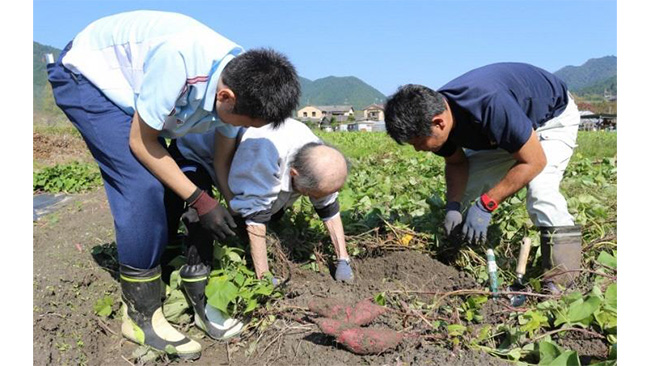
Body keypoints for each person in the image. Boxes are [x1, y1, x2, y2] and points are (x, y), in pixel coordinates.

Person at [46, 10, 300, 359]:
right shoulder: (179, 61)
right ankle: (140, 314)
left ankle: (160, 261)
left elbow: (220, 161)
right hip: (86, 76)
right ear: (225, 97)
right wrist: (200, 200)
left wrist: (232, 207)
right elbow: (141, 143)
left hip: (134, 87)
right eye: (249, 123)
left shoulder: (240, 84)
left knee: (173, 180)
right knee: (141, 184)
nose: (249, 129)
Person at [383, 63, 582, 292]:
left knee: (541, 192)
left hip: (551, 119)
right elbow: (457, 162)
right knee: (468, 192)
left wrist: (487, 204)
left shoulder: (488, 104)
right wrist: (453, 206)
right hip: (508, 129)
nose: (418, 149)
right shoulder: (436, 118)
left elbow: (534, 161)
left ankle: (562, 280)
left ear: (439, 123)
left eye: (418, 142)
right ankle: (461, 252)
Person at [171, 118, 353, 285]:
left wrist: (343, 259)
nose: (315, 198)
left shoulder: (321, 160)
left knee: (272, 209)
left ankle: (242, 245)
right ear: (294, 174)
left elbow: (329, 208)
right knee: (202, 214)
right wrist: (265, 279)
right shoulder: (264, 155)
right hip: (195, 151)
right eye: (312, 194)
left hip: (238, 157)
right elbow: (256, 220)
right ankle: (197, 271)